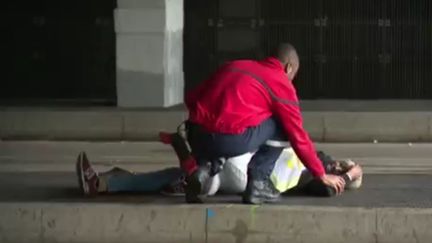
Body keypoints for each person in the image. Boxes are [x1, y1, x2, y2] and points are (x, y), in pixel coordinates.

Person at [184, 43, 345, 204]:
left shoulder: (233, 66)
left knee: (228, 120)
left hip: (195, 135)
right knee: (281, 124)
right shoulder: (280, 82)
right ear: (289, 68)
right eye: (293, 76)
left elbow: (192, 98)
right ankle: (258, 183)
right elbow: (297, 135)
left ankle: (203, 170)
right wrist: (321, 174)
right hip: (227, 140)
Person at [75, 150, 363, 198]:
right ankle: (113, 180)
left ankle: (107, 182)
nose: (338, 165)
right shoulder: (313, 159)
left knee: (184, 170)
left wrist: (351, 176)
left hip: (241, 176)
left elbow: (327, 189)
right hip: (243, 166)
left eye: (342, 168)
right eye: (342, 164)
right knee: (173, 172)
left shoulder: (317, 180)